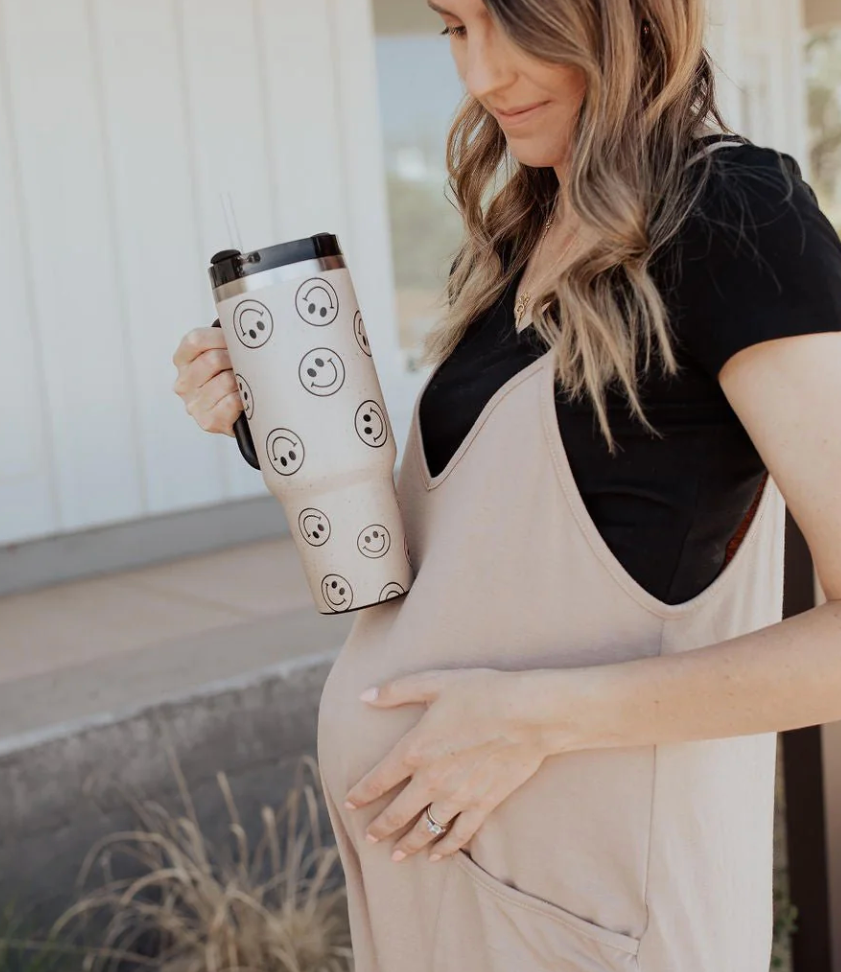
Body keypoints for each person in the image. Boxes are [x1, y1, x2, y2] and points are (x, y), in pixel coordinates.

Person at [172, 0, 841, 968]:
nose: (480, 75)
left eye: (511, 22)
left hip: (587, 929)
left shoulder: (736, 220)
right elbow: (470, 564)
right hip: (447, 925)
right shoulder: (521, 239)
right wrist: (269, 425)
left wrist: (538, 718)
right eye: (452, 28)